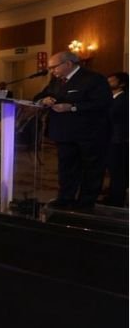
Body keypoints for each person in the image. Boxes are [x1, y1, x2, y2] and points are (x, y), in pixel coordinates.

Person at [34, 51, 111, 209]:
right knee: (66, 168)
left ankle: (86, 202)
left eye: (54, 67)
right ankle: (65, 198)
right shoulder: (56, 81)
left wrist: (73, 107)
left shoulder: (93, 79)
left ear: (68, 64)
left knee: (91, 169)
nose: (52, 71)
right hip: (63, 133)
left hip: (89, 133)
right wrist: (44, 100)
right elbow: (38, 97)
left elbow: (103, 103)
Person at [104, 72, 128, 207]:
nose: (108, 83)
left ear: (122, 84)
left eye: (111, 81)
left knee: (118, 172)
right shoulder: (111, 98)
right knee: (113, 171)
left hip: (119, 140)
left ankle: (116, 201)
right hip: (111, 139)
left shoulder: (124, 99)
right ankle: (112, 197)